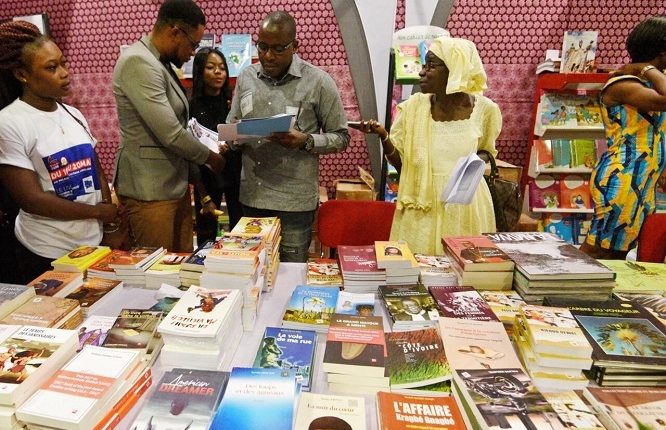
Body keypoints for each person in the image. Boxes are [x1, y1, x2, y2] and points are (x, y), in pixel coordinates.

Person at [357, 36, 501, 255]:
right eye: (423, 65)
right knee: (416, 265)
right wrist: (384, 136)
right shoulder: (413, 108)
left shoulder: (486, 110)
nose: (421, 72)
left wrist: (465, 169)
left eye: (431, 66)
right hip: (422, 204)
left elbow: (486, 152)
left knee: (463, 266)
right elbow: (402, 165)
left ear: (455, 69)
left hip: (465, 204)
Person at [0, 21, 119, 283]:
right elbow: (32, 200)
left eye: (63, 63)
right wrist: (98, 213)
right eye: (51, 68)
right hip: (45, 250)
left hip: (91, 244)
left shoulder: (73, 113)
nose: (64, 73)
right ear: (22, 75)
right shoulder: (9, 122)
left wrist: (108, 223)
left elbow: (96, 170)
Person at [228, 11, 349, 263]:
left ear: (295, 46)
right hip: (252, 198)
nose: (268, 56)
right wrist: (234, 136)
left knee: (290, 273)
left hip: (295, 204)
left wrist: (305, 141)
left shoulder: (319, 82)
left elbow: (341, 137)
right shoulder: (247, 77)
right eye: (262, 47)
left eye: (278, 49)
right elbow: (231, 126)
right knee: (253, 272)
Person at [112, 0, 225, 252]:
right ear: (175, 32)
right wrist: (210, 157)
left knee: (180, 263)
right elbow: (171, 134)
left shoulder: (160, 62)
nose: (194, 52)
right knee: (155, 267)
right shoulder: (138, 62)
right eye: (193, 44)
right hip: (149, 189)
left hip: (172, 185)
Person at [581, 15, 666, 260]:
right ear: (661, 52)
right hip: (623, 176)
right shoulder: (623, 83)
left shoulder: (652, 83)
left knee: (621, 250)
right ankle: (560, 280)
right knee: (601, 248)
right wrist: (647, 68)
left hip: (642, 179)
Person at [189, 47, 243, 242]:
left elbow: (239, 136)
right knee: (206, 235)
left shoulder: (232, 104)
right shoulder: (191, 106)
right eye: (211, 67)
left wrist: (232, 143)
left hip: (234, 173)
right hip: (206, 177)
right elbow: (190, 150)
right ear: (200, 71)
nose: (218, 72)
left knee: (239, 231)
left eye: (222, 67)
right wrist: (203, 195)